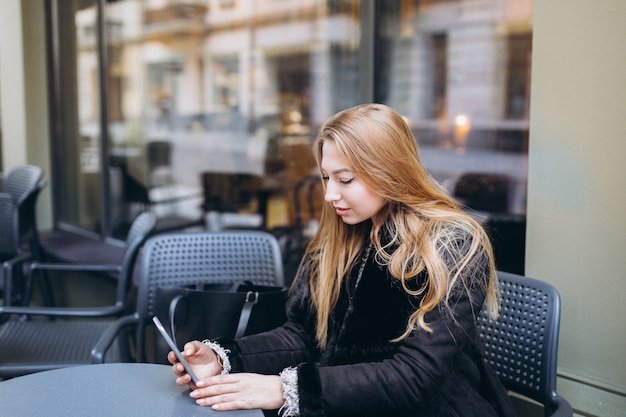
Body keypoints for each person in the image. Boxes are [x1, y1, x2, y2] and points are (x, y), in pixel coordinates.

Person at [169, 103, 515, 417]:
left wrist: (285, 389)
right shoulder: (344, 236)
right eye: (326, 178)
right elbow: (305, 334)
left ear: (388, 171)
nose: (330, 194)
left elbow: (416, 377)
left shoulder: (452, 246)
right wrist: (223, 358)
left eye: (345, 179)